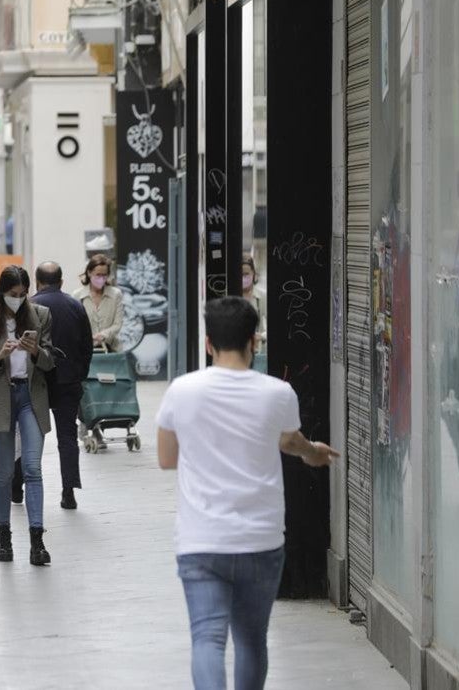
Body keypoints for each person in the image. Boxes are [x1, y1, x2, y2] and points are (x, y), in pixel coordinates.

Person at [156, 297, 338, 690]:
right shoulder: (278, 393)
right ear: (254, 341)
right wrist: (313, 453)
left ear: (208, 343)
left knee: (207, 638)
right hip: (260, 540)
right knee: (252, 640)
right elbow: (291, 442)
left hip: (201, 540)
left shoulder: (181, 391)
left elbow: (167, 459)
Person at [0, 265, 56, 566]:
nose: (18, 300)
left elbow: (49, 363)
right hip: (1, 396)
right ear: (1, 292)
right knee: (5, 471)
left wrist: (35, 352)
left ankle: (37, 541)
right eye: (12, 295)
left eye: (23, 295)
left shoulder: (41, 315)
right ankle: (4, 538)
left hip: (31, 396)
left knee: (33, 467)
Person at [21, 261, 94, 510]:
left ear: (37, 281)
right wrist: (79, 374)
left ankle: (18, 484)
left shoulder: (28, 307)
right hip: (68, 381)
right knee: (67, 437)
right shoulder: (75, 305)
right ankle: (68, 491)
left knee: (29, 435)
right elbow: (87, 346)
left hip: (38, 382)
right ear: (61, 282)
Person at [73, 254, 124, 349]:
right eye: (98, 275)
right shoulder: (78, 296)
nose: (101, 279)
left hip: (111, 349)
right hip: (85, 350)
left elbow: (118, 324)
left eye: (104, 275)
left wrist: (103, 335)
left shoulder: (116, 294)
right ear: (89, 273)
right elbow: (75, 326)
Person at [241, 255, 267, 347]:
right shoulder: (231, 297)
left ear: (254, 275)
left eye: (246, 274)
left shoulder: (263, 297)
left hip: (258, 351)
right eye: (240, 274)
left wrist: (261, 336)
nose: (243, 278)